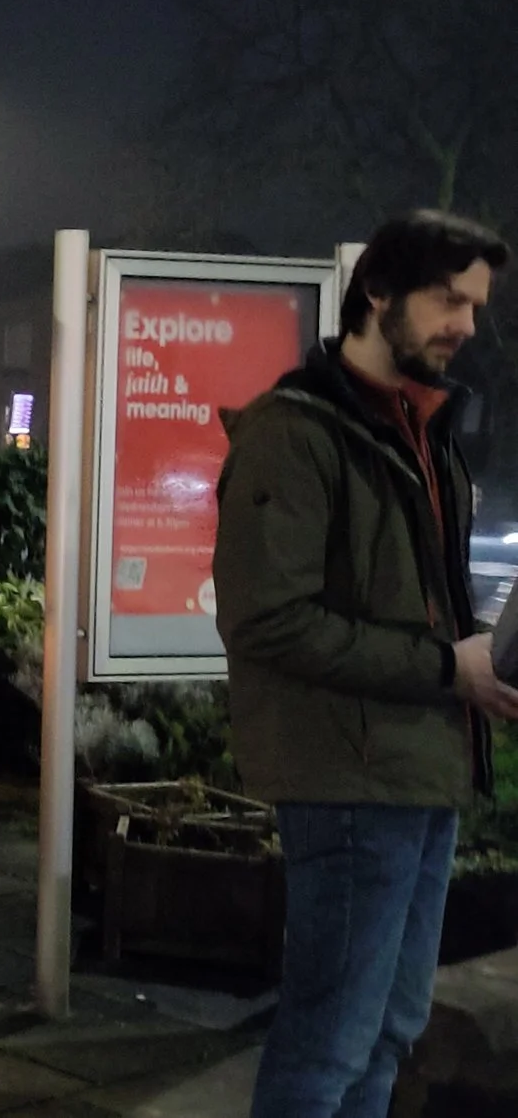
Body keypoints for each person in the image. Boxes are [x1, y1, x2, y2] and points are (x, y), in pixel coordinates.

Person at [215, 210, 518, 1118]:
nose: (466, 324)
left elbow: (419, 607)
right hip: (350, 782)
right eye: (447, 299)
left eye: (476, 306)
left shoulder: (425, 434)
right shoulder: (295, 433)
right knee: (331, 1038)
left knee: (388, 1032)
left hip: (419, 773)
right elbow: (268, 622)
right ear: (376, 294)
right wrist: (445, 669)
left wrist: (486, 664)